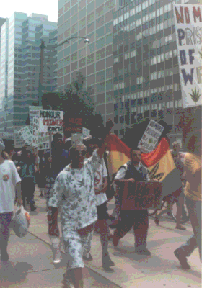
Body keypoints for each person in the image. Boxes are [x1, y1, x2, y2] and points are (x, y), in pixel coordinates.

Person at [48, 142, 105, 288]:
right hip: (71, 227)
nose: (80, 156)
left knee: (76, 259)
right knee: (77, 262)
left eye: (83, 152)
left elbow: (100, 152)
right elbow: (54, 202)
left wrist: (105, 135)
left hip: (88, 224)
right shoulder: (63, 177)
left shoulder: (89, 168)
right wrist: (53, 225)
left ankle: (67, 278)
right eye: (76, 153)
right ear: (70, 155)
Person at [83, 137, 115, 272]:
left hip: (100, 200)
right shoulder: (85, 163)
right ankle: (85, 250)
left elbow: (105, 178)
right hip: (89, 201)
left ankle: (105, 256)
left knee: (103, 229)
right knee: (88, 229)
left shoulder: (101, 162)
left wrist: (104, 187)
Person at [112, 147, 151, 256]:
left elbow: (147, 183)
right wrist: (127, 181)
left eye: (139, 155)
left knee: (143, 224)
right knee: (126, 224)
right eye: (135, 155)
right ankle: (116, 236)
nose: (137, 157)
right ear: (131, 156)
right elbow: (116, 180)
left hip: (141, 202)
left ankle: (141, 247)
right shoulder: (125, 167)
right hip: (127, 201)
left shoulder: (144, 169)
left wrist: (153, 183)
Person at [174, 132, 201, 269]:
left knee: (200, 233)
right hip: (194, 199)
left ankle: (182, 251)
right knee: (200, 232)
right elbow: (193, 180)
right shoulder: (190, 158)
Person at [0, 139, 22, 261]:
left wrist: (19, 197)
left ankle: (3, 249)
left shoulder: (9, 164)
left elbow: (17, 181)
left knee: (4, 230)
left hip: (6, 205)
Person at [171, 141, 186, 230]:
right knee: (175, 202)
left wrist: (184, 174)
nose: (178, 148)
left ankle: (178, 223)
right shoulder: (170, 157)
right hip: (172, 182)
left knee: (180, 203)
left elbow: (183, 167)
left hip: (178, 182)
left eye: (178, 147)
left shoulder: (180, 157)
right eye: (176, 147)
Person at [16, 146, 37, 211]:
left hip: (30, 178)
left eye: (29, 153)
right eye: (27, 153)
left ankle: (31, 204)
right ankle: (24, 205)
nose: (28, 155)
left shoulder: (32, 162)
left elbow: (34, 170)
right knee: (24, 193)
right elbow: (18, 168)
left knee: (31, 192)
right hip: (24, 178)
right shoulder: (21, 162)